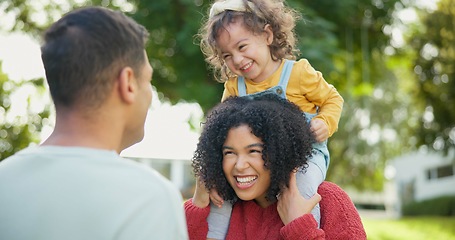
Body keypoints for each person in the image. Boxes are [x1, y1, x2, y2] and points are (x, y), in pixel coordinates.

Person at [0, 6, 188, 240]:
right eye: (148, 80)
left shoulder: (4, 182)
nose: (149, 94)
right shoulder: (149, 198)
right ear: (128, 82)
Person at [197, 0, 344, 237]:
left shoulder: (298, 73)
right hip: (256, 162)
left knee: (303, 193)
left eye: (242, 46)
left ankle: (304, 231)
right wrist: (210, 173)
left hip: (305, 157)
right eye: (227, 55)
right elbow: (219, 129)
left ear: (267, 35)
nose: (237, 59)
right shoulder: (235, 86)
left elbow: (333, 99)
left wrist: (325, 122)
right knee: (221, 198)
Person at [184, 94, 366, 239]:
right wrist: (198, 203)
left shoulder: (328, 201)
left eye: (254, 151)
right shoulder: (220, 208)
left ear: (281, 151)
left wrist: (300, 227)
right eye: (229, 153)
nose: (239, 166)